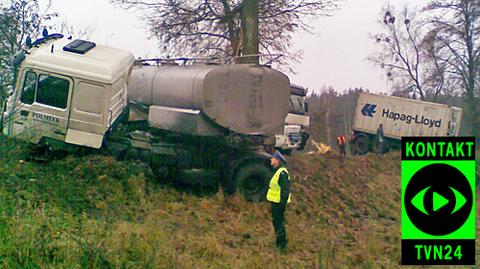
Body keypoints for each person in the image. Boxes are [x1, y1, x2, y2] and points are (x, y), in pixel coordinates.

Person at [266, 150, 291, 252]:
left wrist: (282, 203)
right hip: (275, 202)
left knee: (279, 223)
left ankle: (282, 245)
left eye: (273, 158)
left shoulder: (282, 173)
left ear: (277, 160)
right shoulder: (276, 171)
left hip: (279, 203)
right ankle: (278, 242)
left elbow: (285, 190)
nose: (271, 159)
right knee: (276, 223)